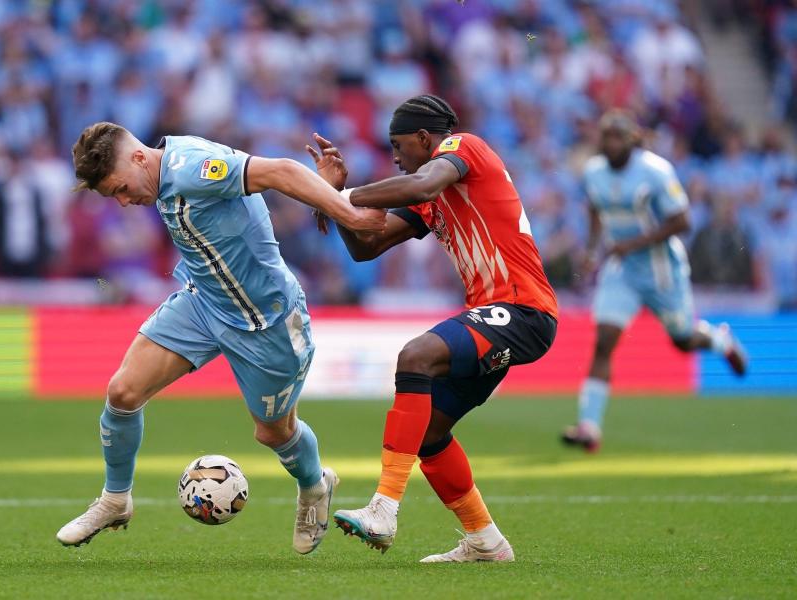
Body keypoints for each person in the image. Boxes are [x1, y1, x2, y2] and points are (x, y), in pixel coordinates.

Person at [55, 122, 386, 554]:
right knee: (123, 391)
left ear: (138, 158)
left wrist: (352, 214)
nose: (123, 201)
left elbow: (282, 170)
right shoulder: (158, 171)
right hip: (203, 304)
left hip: (266, 322)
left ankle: (314, 484)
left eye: (119, 188)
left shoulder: (192, 167)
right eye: (112, 196)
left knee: (273, 433)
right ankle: (116, 500)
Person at [307, 95, 559, 563]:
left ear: (426, 139)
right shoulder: (431, 195)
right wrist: (337, 199)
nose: (396, 157)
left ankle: (384, 508)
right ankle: (485, 541)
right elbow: (368, 247)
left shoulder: (466, 147)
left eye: (399, 146)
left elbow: (421, 185)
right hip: (496, 316)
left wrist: (342, 196)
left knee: (416, 356)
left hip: (523, 310)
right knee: (428, 434)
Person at [563, 111, 748, 453]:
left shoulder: (656, 171)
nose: (610, 143)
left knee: (682, 340)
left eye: (617, 136)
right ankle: (589, 426)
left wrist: (631, 244)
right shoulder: (594, 172)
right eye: (606, 136)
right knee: (604, 340)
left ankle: (719, 339)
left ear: (632, 139)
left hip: (661, 268)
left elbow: (682, 221)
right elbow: (594, 208)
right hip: (622, 270)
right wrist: (591, 249)